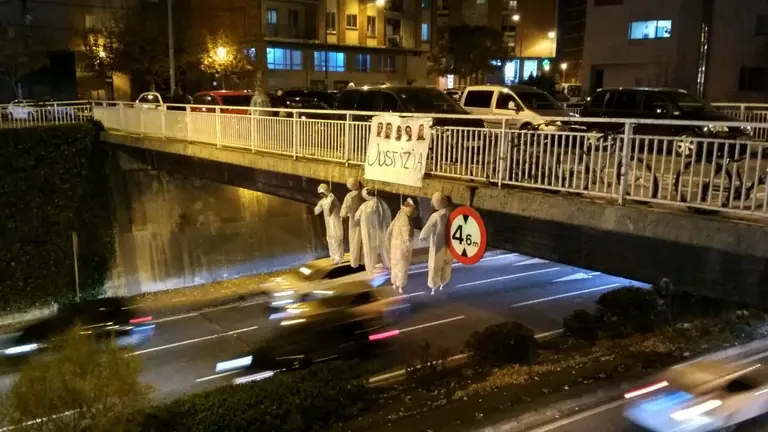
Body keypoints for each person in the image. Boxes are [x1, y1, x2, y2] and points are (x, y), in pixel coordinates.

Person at [420, 192, 452, 294]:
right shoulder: (452, 212)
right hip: (450, 244)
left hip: (438, 244)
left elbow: (428, 227)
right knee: (447, 263)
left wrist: (422, 236)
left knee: (435, 265)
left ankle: (434, 285)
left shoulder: (436, 216)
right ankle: (444, 281)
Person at [354, 188, 392, 272]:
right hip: (381, 230)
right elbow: (387, 216)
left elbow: (356, 217)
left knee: (369, 248)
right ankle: (387, 263)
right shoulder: (382, 203)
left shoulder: (364, 206)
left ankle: (370, 266)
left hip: (368, 231)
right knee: (384, 247)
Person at [387, 198, 415, 293]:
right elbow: (406, 230)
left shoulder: (398, 215)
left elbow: (390, 228)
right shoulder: (405, 218)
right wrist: (408, 241)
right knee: (402, 266)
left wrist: (388, 238)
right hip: (402, 246)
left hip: (395, 245)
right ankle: (400, 285)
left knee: (394, 264)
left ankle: (394, 282)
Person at [314, 183, 344, 264]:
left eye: (322, 193)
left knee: (336, 239)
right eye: (320, 193)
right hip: (329, 223)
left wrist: (324, 205)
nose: (321, 195)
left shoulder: (333, 199)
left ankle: (338, 257)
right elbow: (316, 211)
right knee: (330, 239)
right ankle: (333, 256)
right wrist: (320, 206)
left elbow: (328, 212)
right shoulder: (323, 201)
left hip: (335, 222)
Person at [340, 178, 365, 268]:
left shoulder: (350, 196)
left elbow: (343, 212)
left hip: (354, 222)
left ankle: (355, 262)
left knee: (355, 242)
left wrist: (343, 215)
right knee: (364, 241)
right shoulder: (364, 193)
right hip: (365, 221)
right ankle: (363, 260)